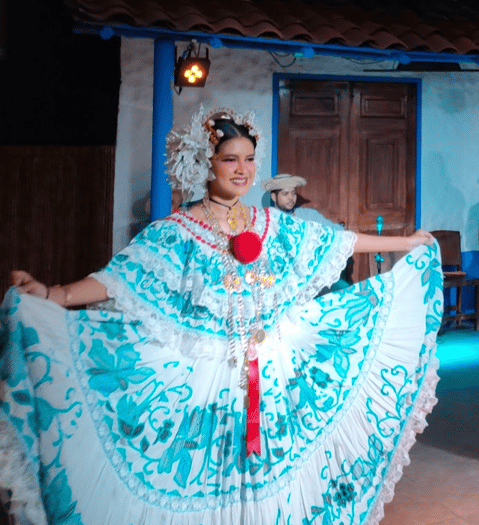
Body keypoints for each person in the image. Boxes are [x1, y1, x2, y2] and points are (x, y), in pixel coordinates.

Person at [0, 106, 442, 525]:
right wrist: (52, 294)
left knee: (272, 477)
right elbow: (120, 280)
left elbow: (338, 242)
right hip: (205, 377)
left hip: (272, 373)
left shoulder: (272, 224)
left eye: (249, 159)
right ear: (205, 163)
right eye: (230, 159)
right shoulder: (176, 231)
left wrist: (406, 243)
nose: (242, 170)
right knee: (213, 479)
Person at [263, 172, 342, 229]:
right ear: (274, 197)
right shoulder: (266, 220)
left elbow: (336, 230)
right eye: (285, 194)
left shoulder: (309, 215)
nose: (291, 198)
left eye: (293, 193)